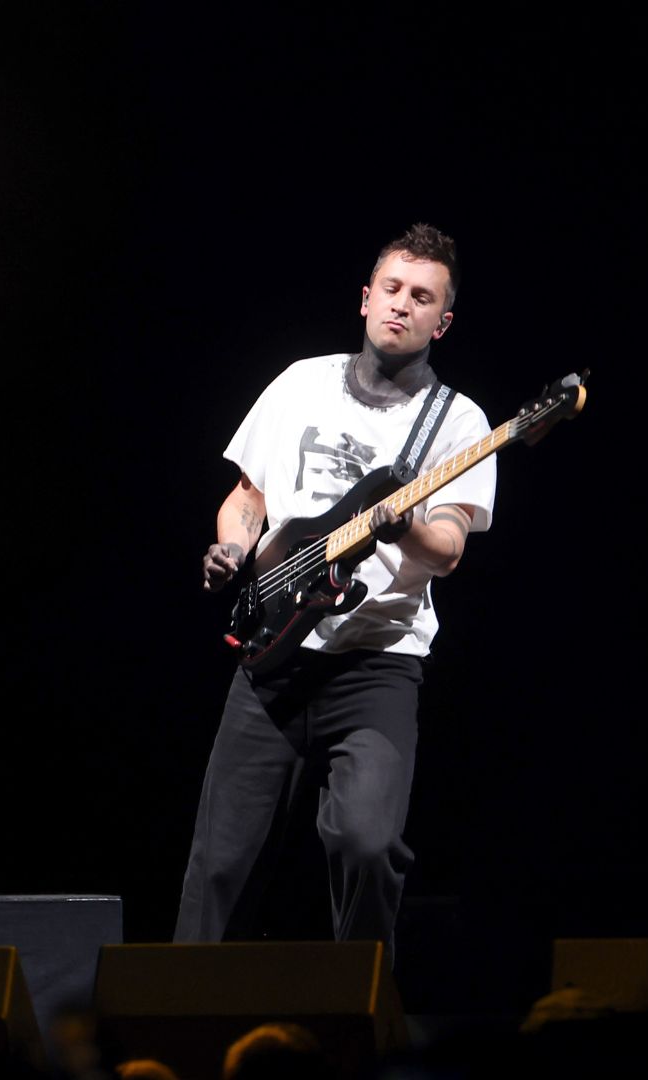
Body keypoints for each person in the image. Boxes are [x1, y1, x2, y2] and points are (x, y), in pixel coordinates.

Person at [174, 224, 495, 965]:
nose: (401, 306)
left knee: (366, 842)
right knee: (218, 864)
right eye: (392, 289)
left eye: (422, 298)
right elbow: (247, 498)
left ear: (440, 322)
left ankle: (359, 1007)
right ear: (365, 298)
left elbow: (446, 548)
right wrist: (231, 547)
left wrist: (404, 523)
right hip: (273, 656)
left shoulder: (458, 423)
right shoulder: (299, 383)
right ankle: (183, 1012)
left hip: (377, 663)